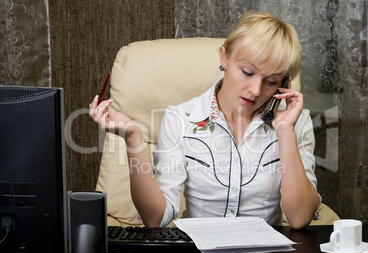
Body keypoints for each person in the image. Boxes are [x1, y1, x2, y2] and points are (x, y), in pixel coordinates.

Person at [90, 12, 321, 230]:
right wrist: (132, 137)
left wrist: (285, 131)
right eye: (248, 73)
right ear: (224, 57)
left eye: (271, 81)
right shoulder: (180, 118)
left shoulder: (295, 122)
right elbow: (155, 218)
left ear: (284, 84)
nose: (255, 90)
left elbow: (299, 219)